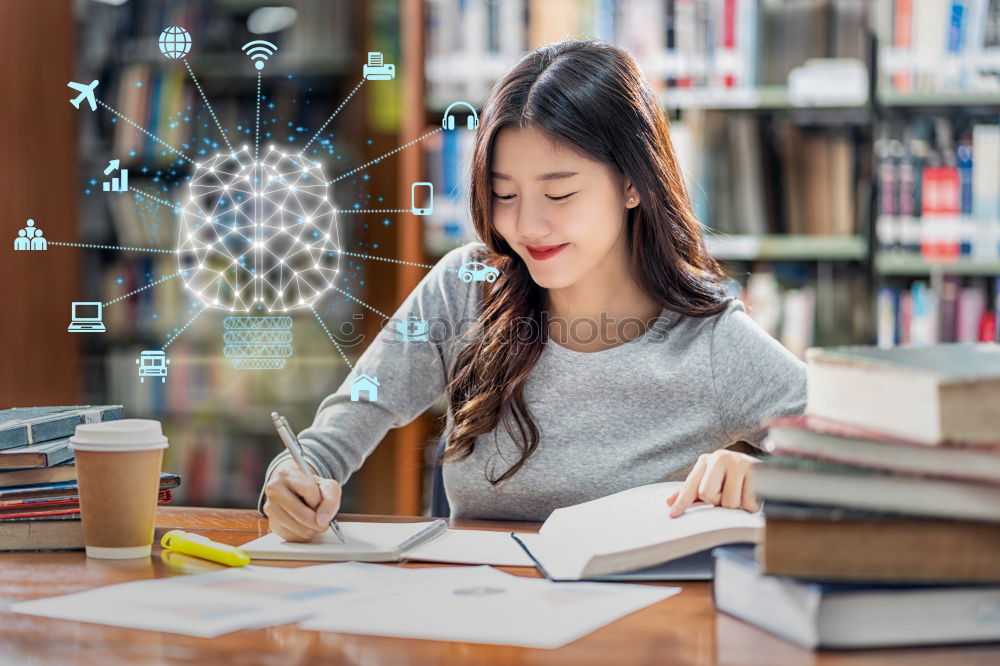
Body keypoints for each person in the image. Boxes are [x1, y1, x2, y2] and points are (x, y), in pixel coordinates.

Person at [260, 40, 806, 542]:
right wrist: (296, 475)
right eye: (504, 194)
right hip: (480, 621)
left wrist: (770, 477)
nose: (527, 227)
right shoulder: (464, 288)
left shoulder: (711, 342)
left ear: (634, 183)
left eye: (560, 194)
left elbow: (867, 465)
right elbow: (350, 418)